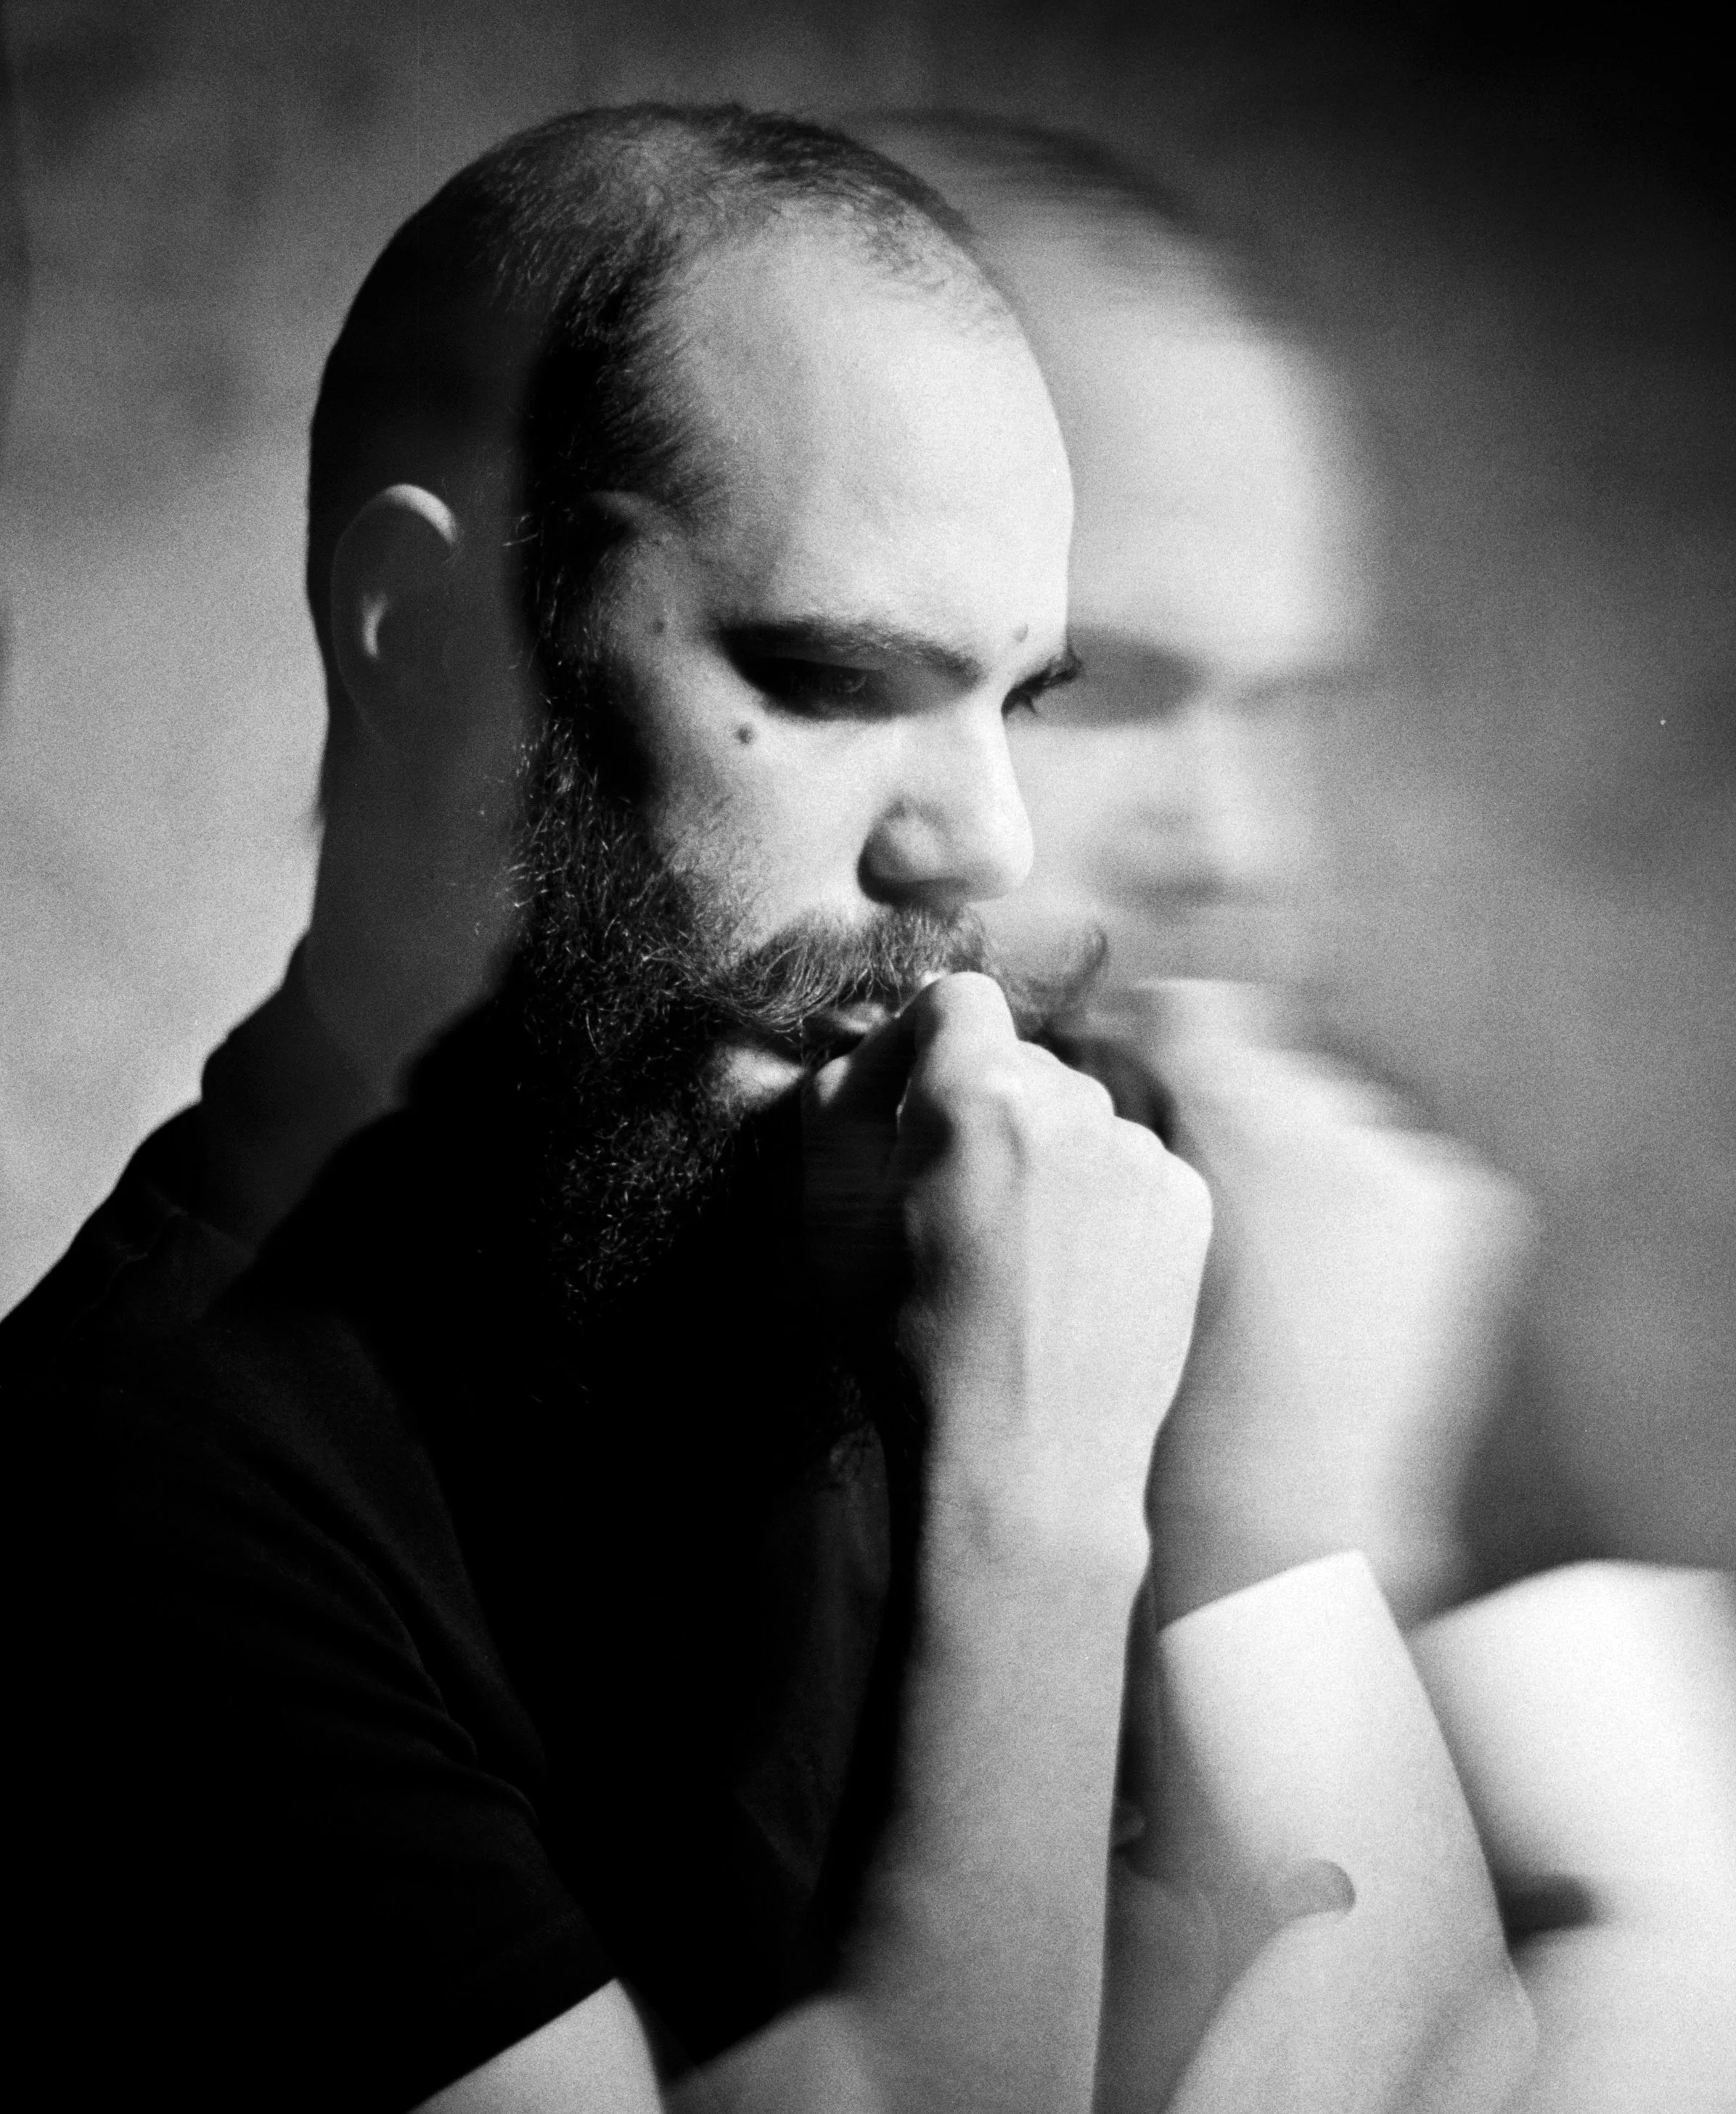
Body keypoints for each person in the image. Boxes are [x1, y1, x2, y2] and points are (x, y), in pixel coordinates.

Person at [2, 107, 1526, 2113]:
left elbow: (1434, 2073)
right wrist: (1046, 1512)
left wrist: (1281, 1518)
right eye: (828, 680)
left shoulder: (983, 1178)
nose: (979, 847)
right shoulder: (142, 1491)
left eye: (1021, 699)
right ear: (415, 634)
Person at [859, 113, 1736, 2110]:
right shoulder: (527, 1378)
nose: (1245, 848)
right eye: (1111, 682)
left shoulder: (1304, 1187)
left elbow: (1690, 1955)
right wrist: (1288, 1547)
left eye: (1281, 709)